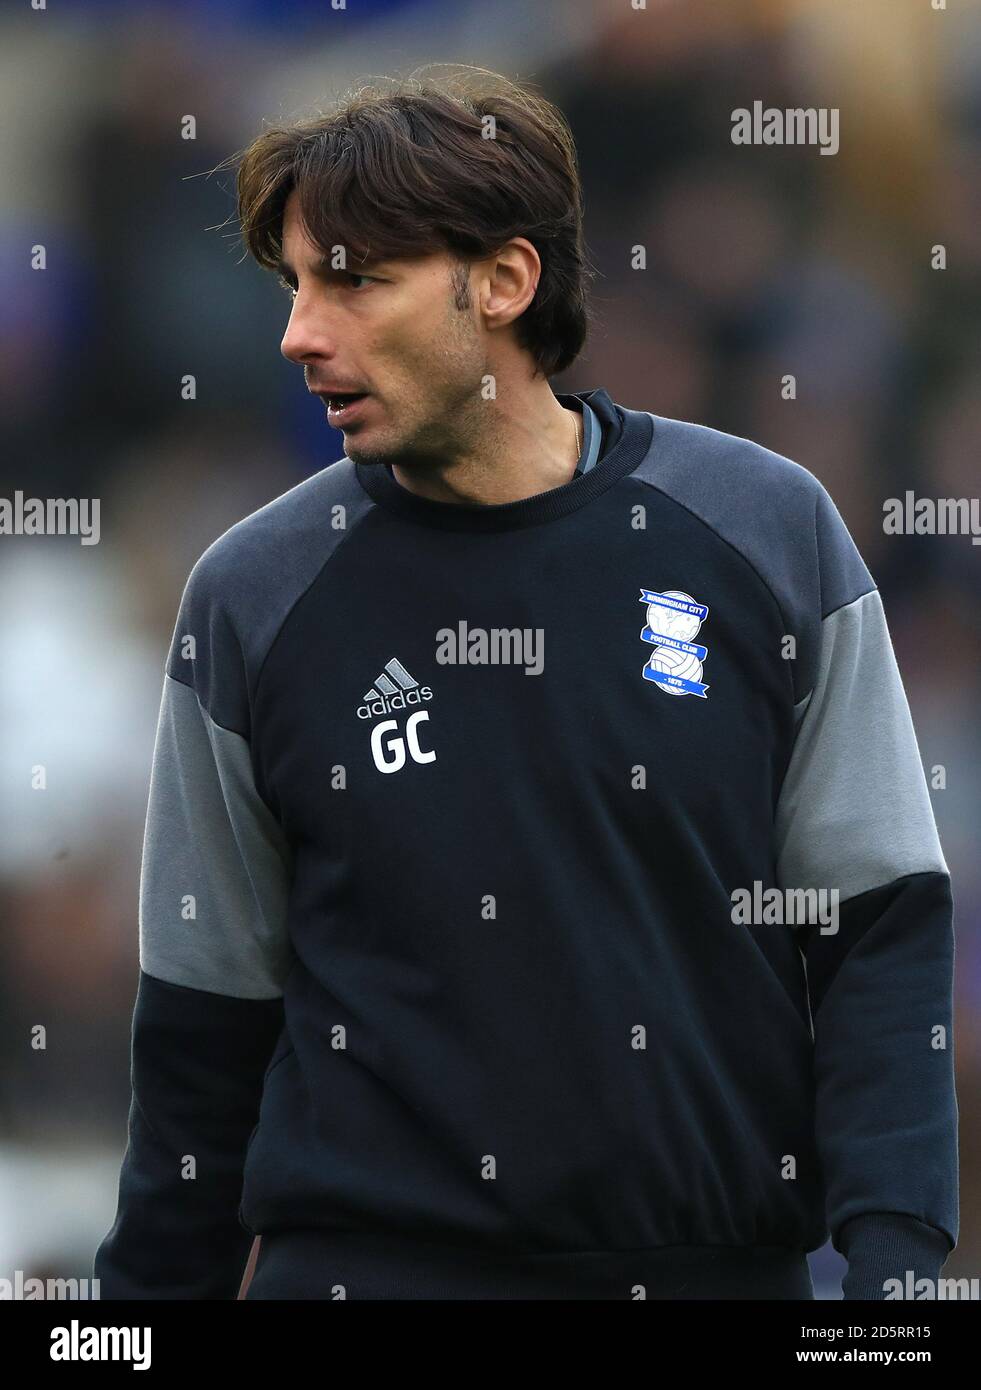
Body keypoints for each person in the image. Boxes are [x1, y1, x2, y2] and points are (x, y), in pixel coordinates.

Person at [94, 68, 957, 1300]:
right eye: (293, 286)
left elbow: (875, 931)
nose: (298, 332)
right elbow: (202, 1023)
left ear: (504, 281)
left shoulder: (766, 534)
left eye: (352, 278)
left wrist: (896, 1268)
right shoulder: (254, 593)